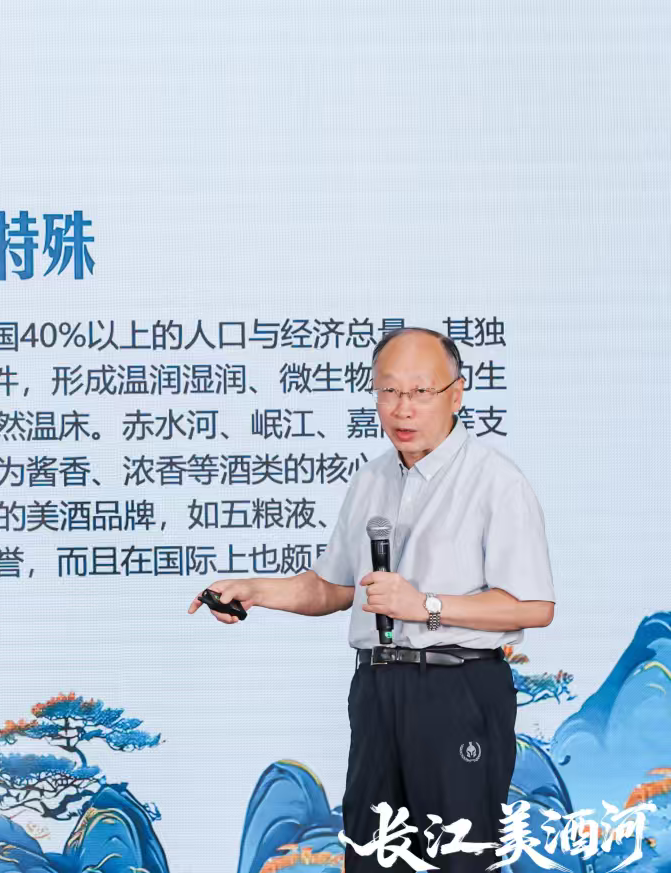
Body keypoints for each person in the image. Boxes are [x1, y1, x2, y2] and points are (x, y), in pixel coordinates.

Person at [189, 327, 555, 872]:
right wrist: (255, 590)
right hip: (378, 689)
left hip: (457, 690)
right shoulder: (372, 479)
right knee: (373, 856)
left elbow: (533, 607)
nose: (402, 408)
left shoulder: (495, 482)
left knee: (459, 860)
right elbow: (335, 586)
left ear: (456, 394)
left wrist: (426, 606)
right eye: (389, 391)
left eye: (420, 391)